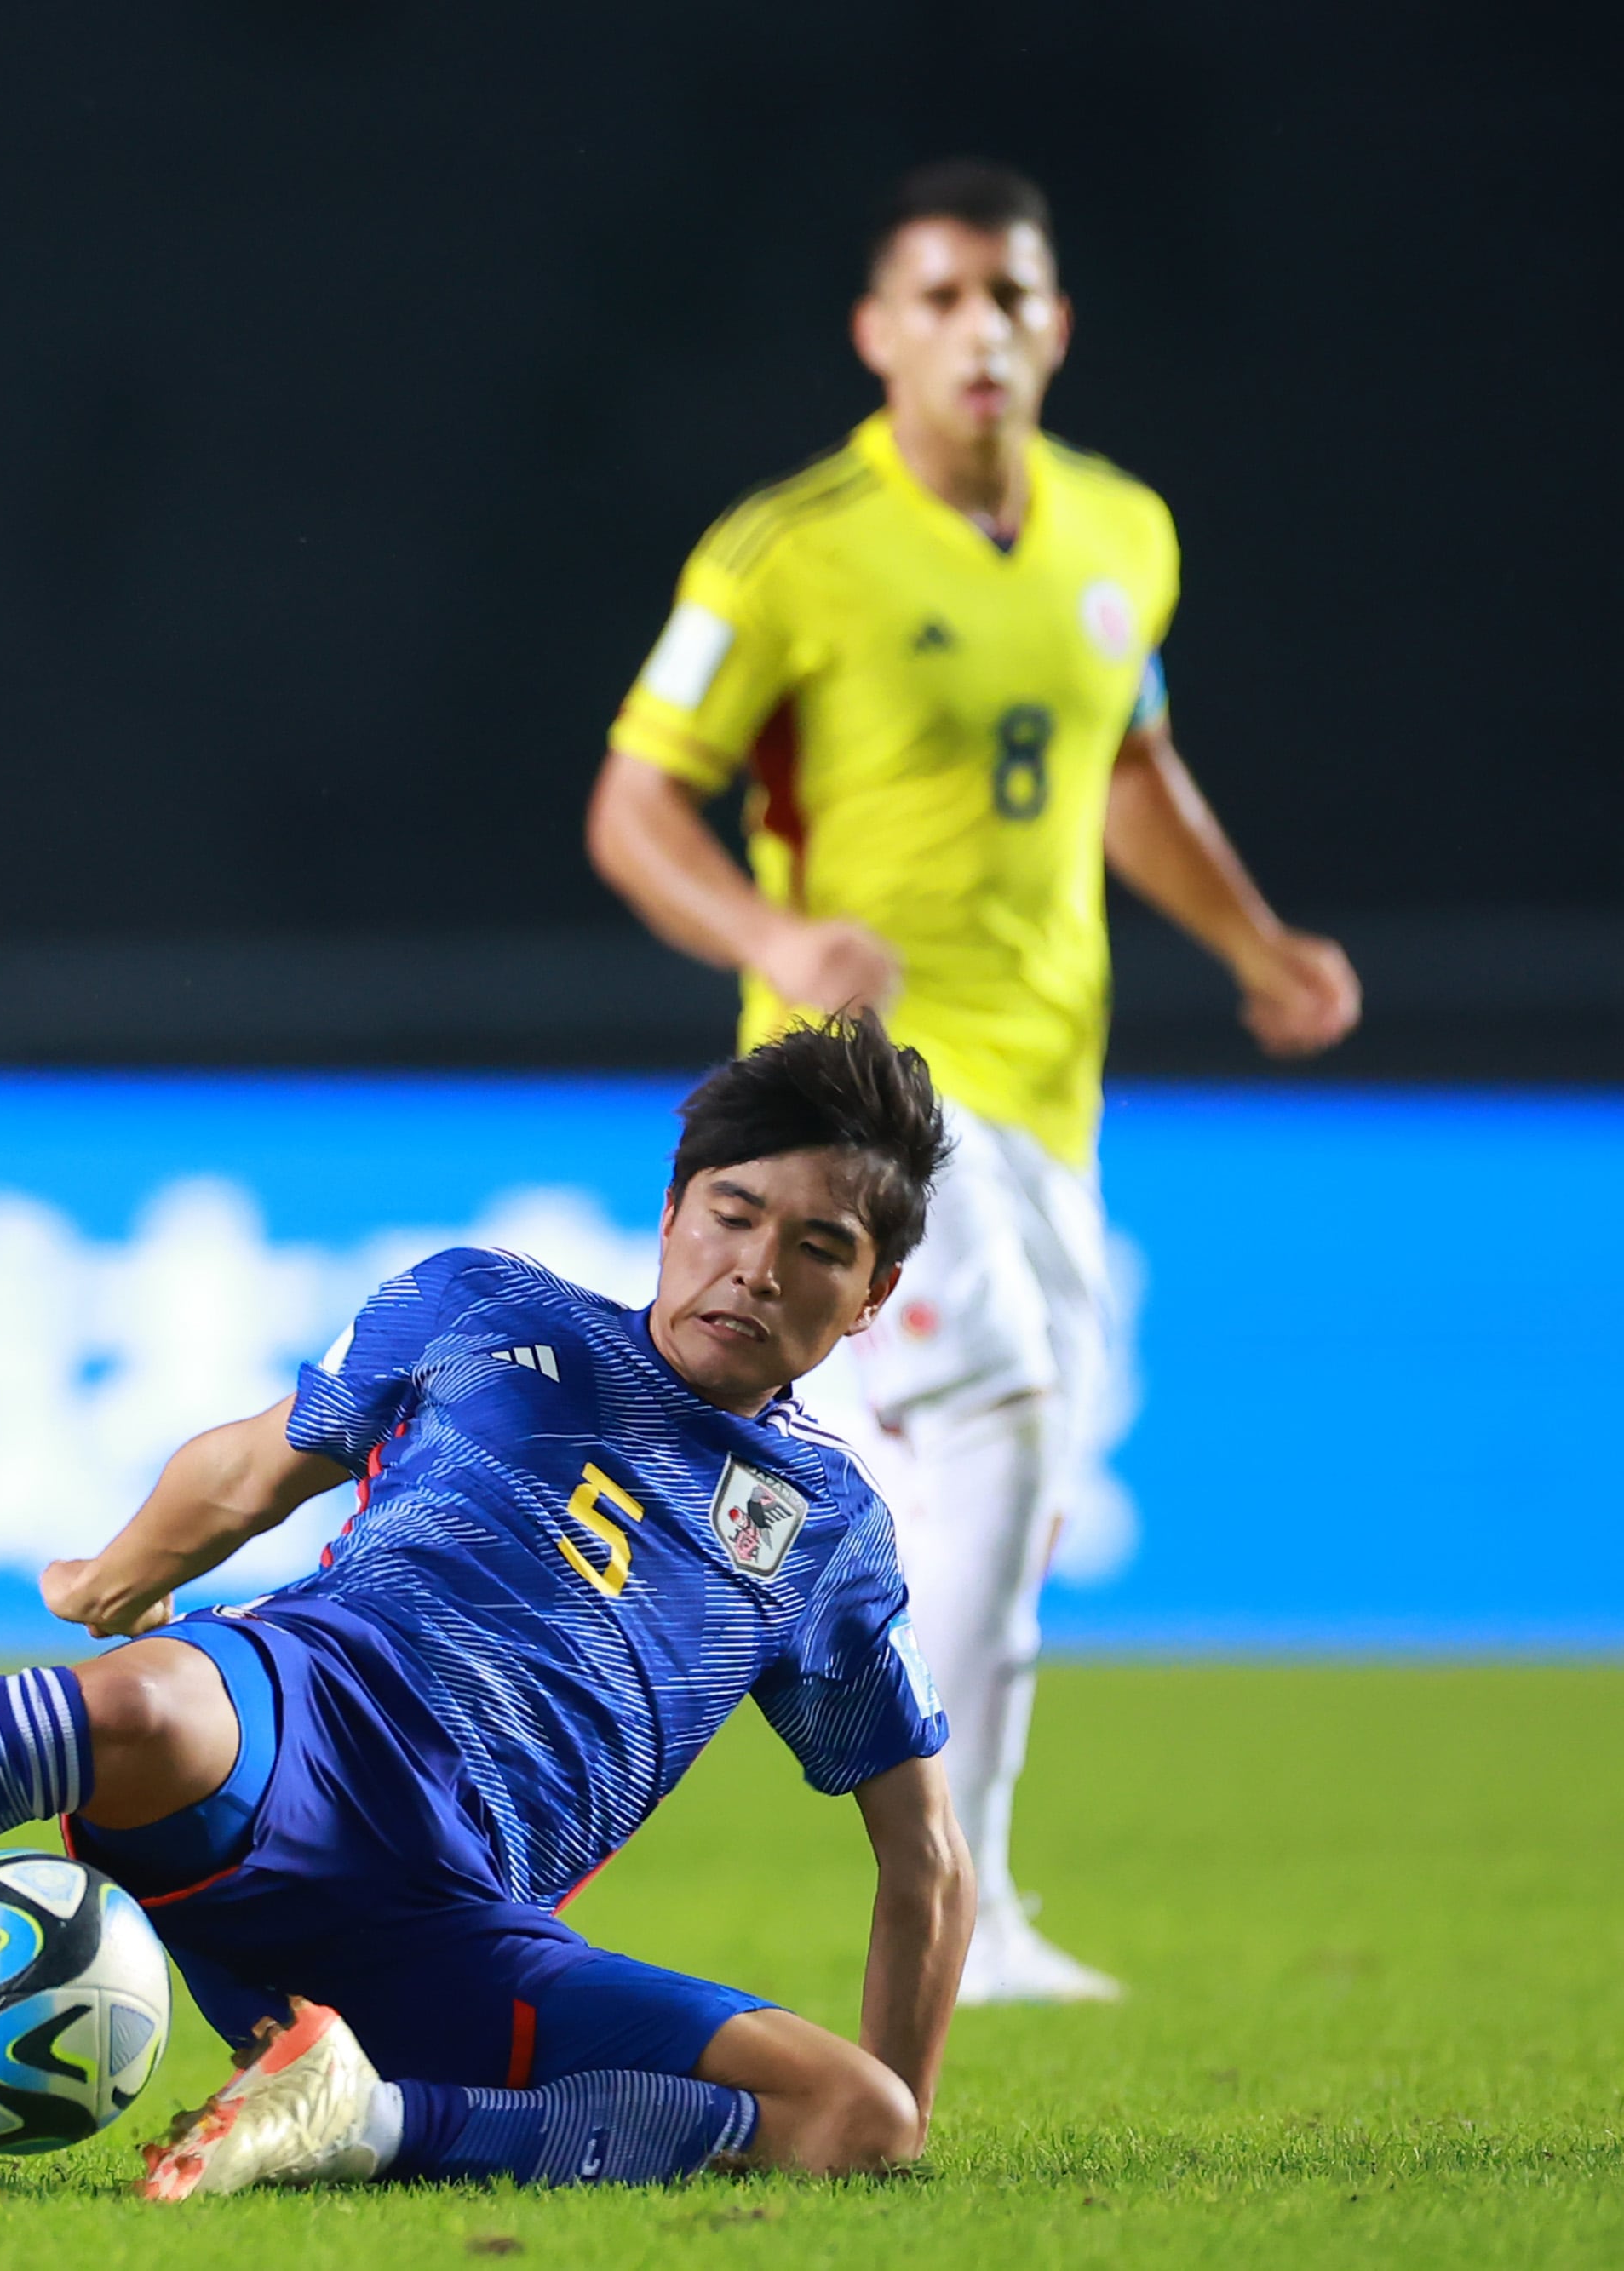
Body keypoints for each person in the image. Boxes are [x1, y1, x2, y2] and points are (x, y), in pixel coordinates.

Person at [0, 1018, 975, 2198]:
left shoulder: (828, 1533)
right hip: (304, 1723)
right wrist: (126, 1570)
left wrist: (900, 2114)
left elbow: (924, 1854)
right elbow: (251, 1469)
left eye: (816, 1249)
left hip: (458, 1916)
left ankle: (356, 2117)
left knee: (855, 2114)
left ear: (873, 1296)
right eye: (732, 1216)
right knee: (140, 1701)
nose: (754, 1269)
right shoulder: (489, 1309)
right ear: (673, 1210)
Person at [583, 160, 1361, 2004]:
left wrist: (1254, 942)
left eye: (1007, 296)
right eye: (938, 298)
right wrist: (775, 930)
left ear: (1055, 324)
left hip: (1047, 1092)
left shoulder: (1120, 532)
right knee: (1002, 1419)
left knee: (994, 1485)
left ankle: (732, 1647)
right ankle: (963, 1901)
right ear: (878, 333)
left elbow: (1124, 767)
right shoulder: (785, 552)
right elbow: (632, 807)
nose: (977, 330)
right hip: (859, 1099)